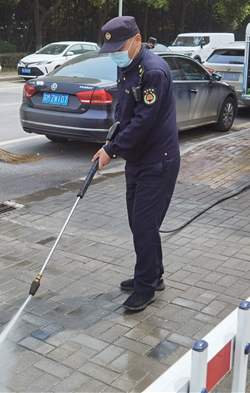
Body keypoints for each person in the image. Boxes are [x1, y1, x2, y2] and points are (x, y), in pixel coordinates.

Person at [92, 16, 180, 311]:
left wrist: (111, 150)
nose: (115, 53)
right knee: (139, 223)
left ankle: (145, 288)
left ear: (137, 41)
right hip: (138, 159)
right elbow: (125, 110)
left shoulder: (153, 71)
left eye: (119, 47)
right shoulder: (127, 67)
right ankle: (154, 275)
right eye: (112, 48)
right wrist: (115, 133)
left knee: (144, 225)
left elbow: (144, 122)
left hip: (158, 160)